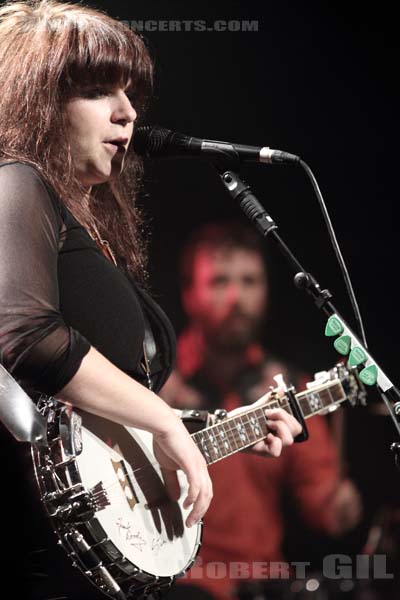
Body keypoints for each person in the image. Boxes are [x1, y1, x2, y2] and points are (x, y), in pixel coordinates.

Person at [0, 2, 302, 599]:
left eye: (130, 93)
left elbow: (99, 420)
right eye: (96, 91)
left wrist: (209, 429)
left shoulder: (84, 227)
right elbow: (25, 337)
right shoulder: (16, 182)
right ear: (36, 101)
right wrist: (166, 422)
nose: (128, 112)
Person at [161, 221, 362, 600]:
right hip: (177, 581)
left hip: (262, 583)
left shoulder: (290, 390)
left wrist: (342, 504)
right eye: (220, 281)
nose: (237, 297)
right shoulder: (156, 386)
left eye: (250, 281)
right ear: (189, 293)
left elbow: (325, 508)